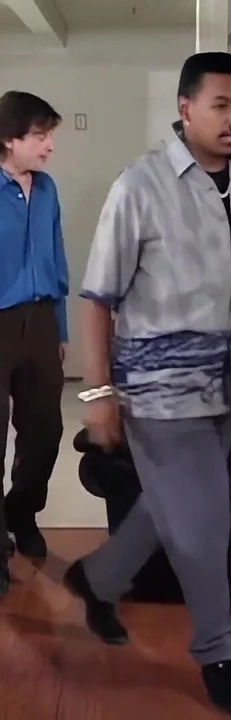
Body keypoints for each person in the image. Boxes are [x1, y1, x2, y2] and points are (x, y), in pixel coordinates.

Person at [65, 53, 231, 717]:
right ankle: (219, 653)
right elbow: (98, 297)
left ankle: (97, 579)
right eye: (220, 105)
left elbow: (218, 238)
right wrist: (98, 395)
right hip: (159, 392)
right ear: (185, 108)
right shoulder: (138, 186)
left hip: (223, 380)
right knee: (202, 528)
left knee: (167, 508)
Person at [0, 91, 68, 596]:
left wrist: (60, 328)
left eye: (50, 136)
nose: (49, 146)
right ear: (9, 139)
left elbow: (56, 256)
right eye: (40, 136)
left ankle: (21, 512)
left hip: (42, 319)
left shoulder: (46, 189)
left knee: (45, 431)